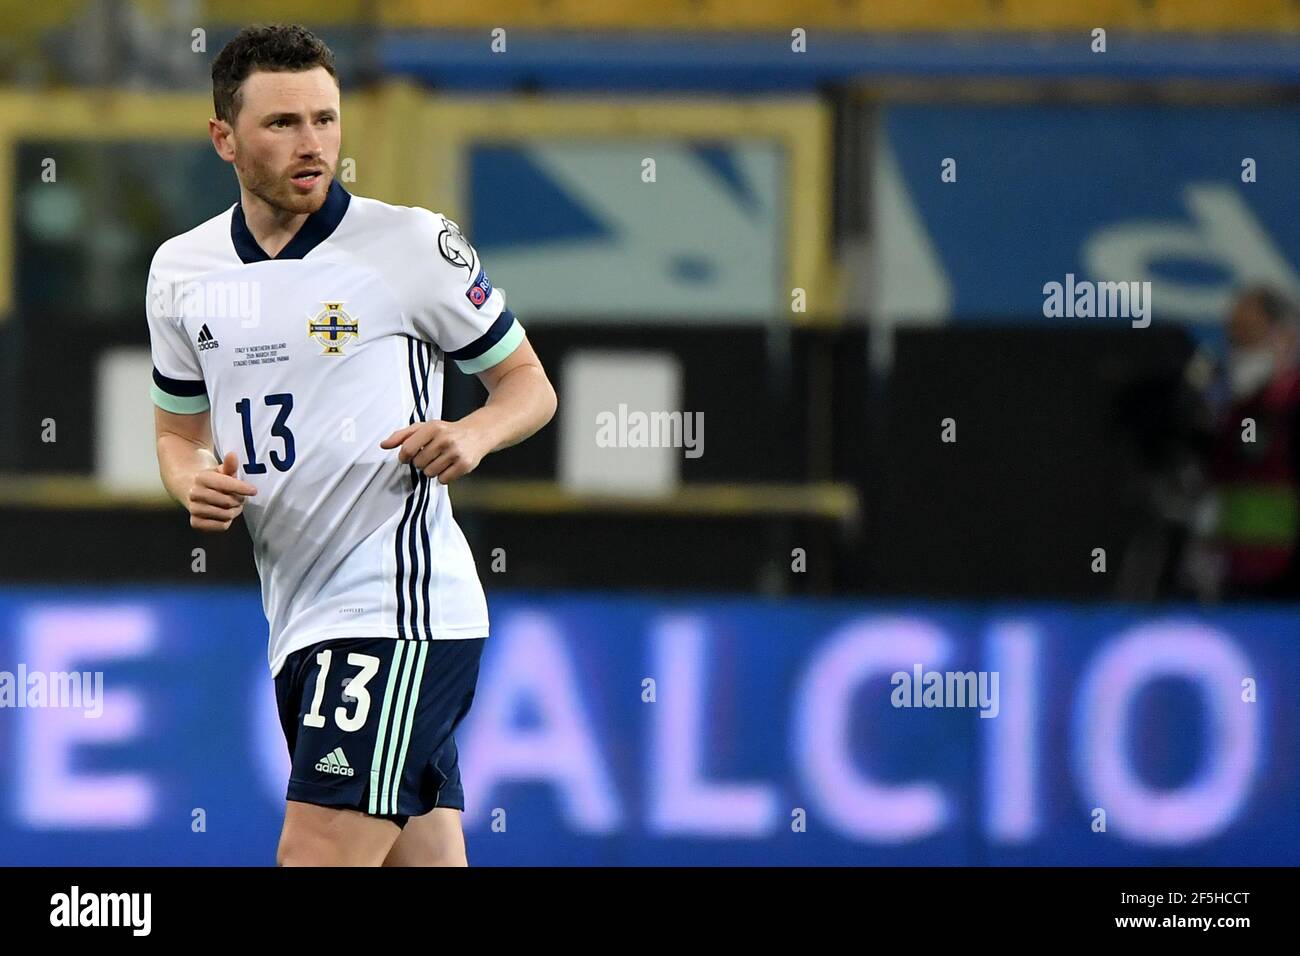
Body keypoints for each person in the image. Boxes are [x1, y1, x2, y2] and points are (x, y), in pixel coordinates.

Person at [146, 24, 556, 865]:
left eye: (326, 120)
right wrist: (189, 481)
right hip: (297, 617)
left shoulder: (408, 246)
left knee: (315, 856)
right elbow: (176, 431)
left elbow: (529, 385)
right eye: (283, 123)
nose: (313, 144)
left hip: (395, 610)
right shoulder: (180, 272)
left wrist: (472, 434)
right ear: (223, 137)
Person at [1203, 286, 1300, 599]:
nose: (1237, 346)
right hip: (1235, 569)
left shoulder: (1289, 400)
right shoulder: (1233, 406)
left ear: (1284, 337)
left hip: (1284, 573)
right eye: (1233, 335)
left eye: (1249, 335)